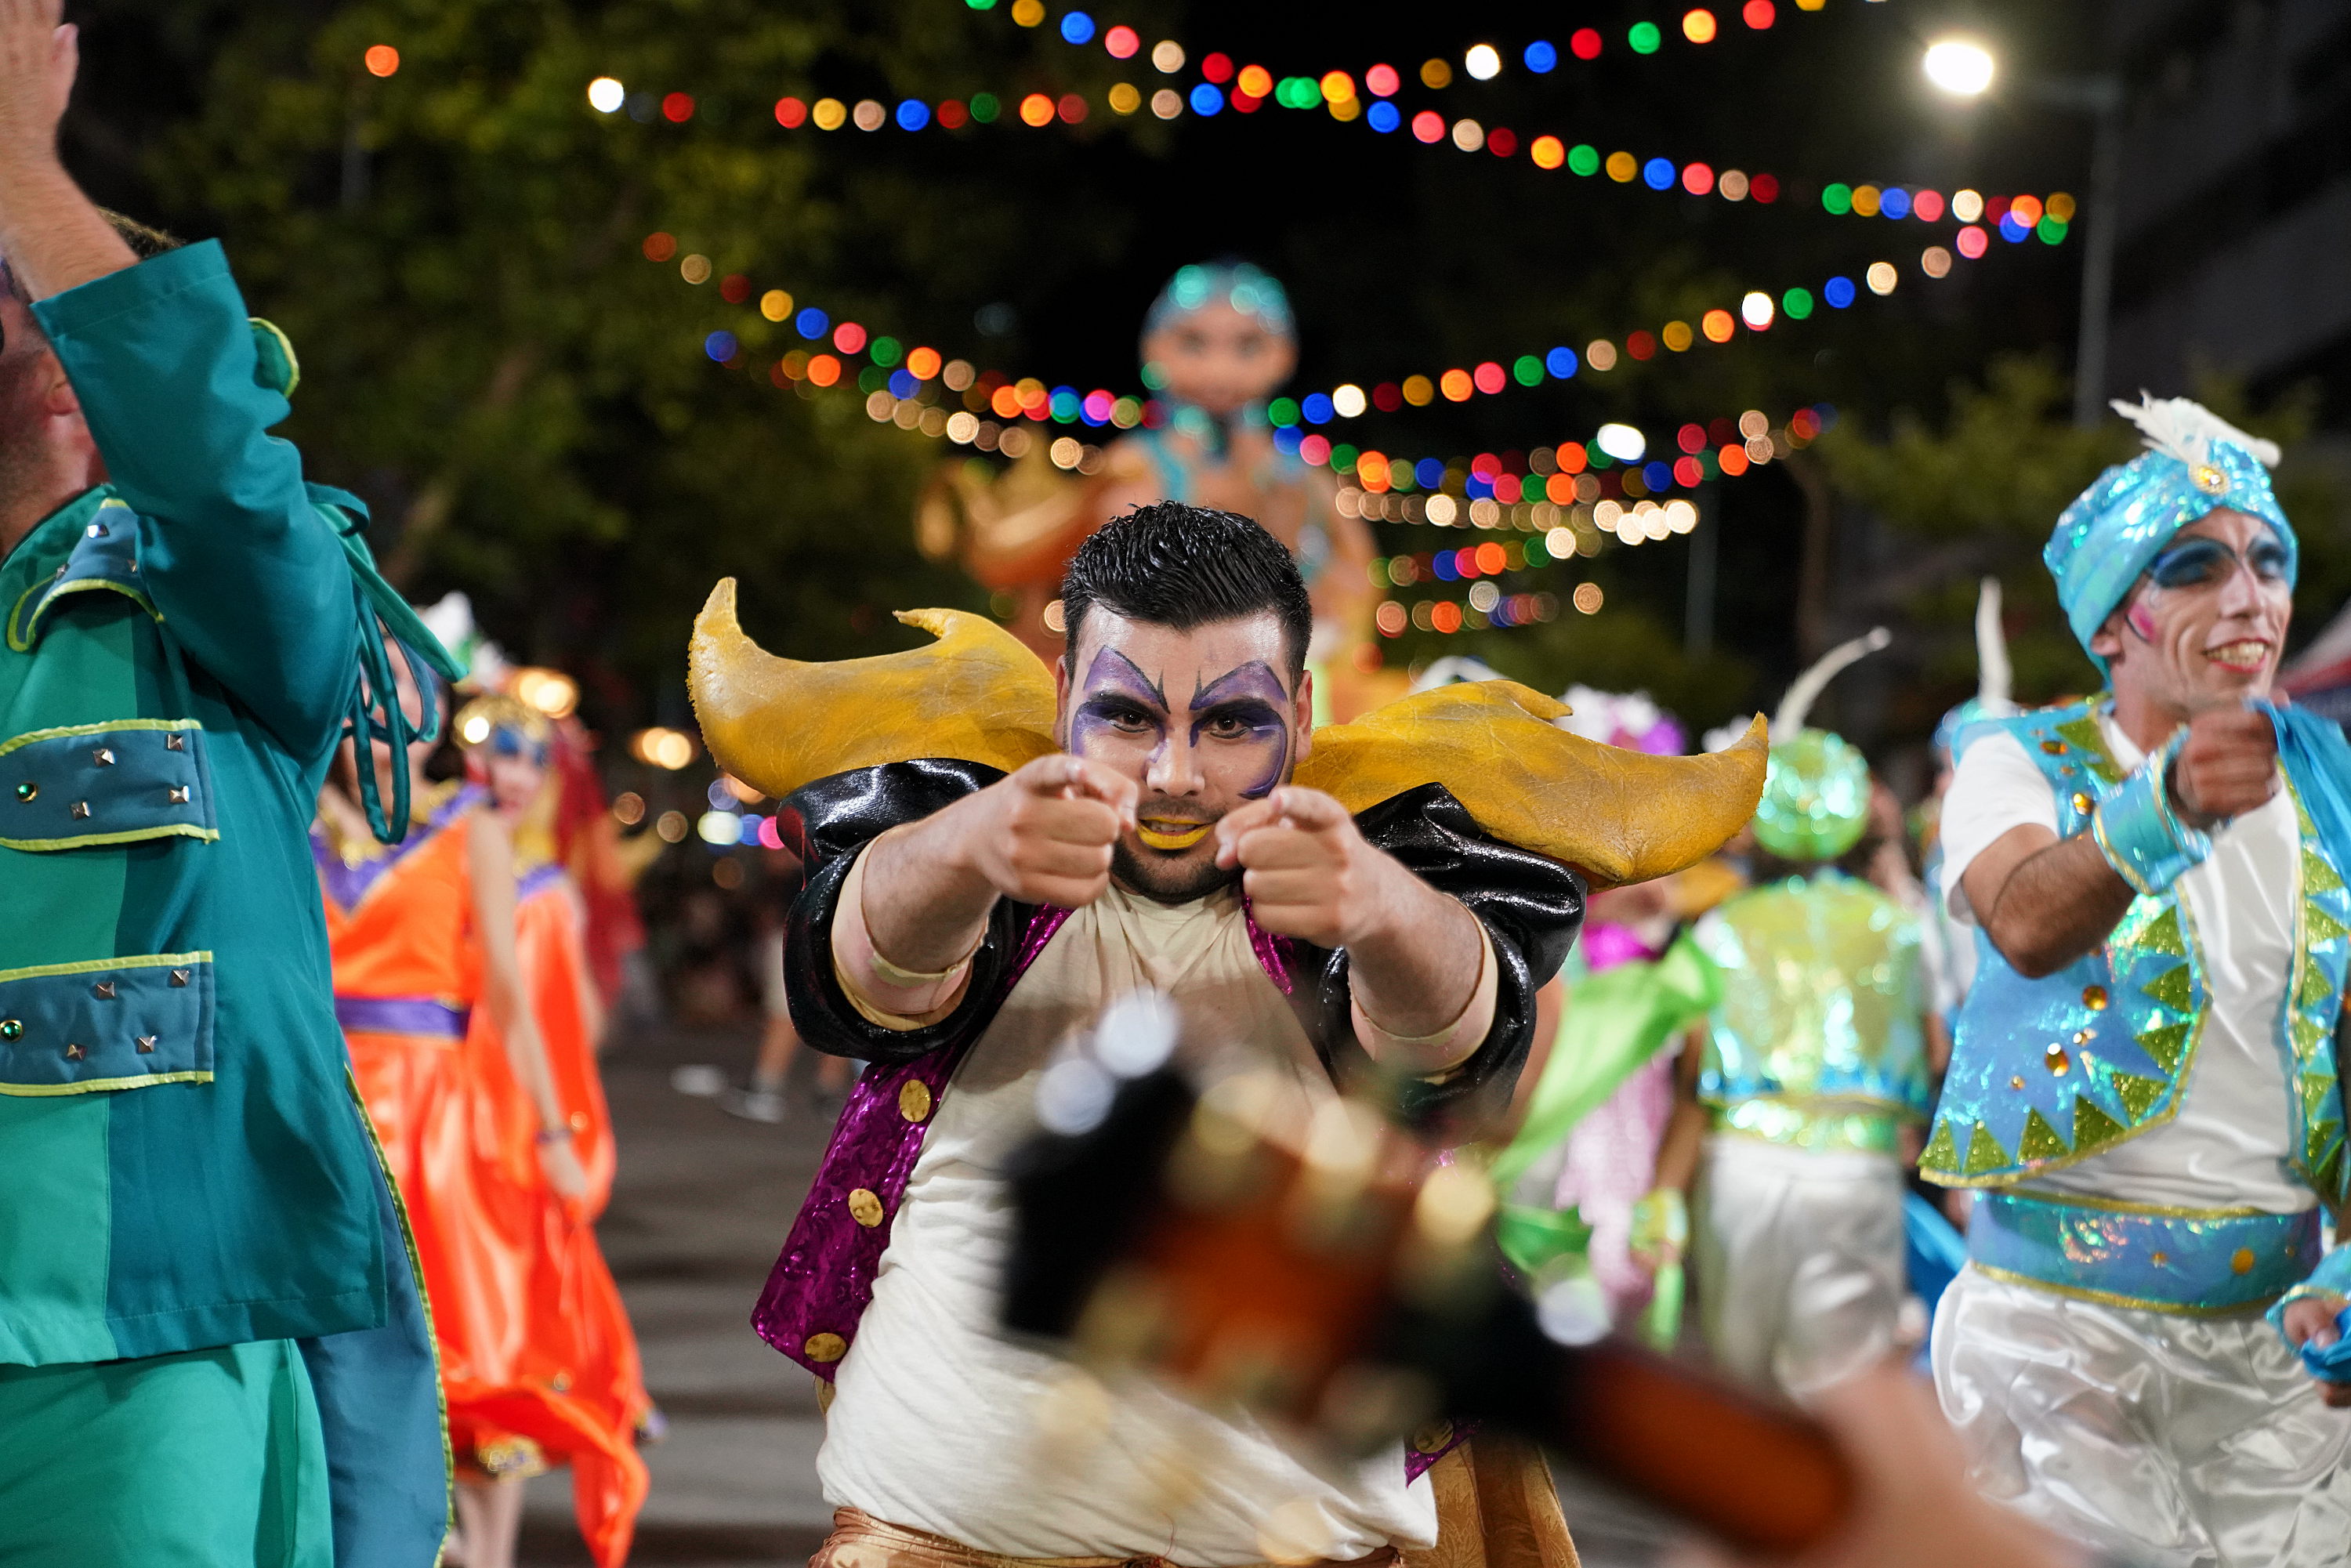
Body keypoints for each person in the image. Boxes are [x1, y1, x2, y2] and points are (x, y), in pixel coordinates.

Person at [686, 502, 1768, 1568]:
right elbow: (863, 974)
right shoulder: (981, 854)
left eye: (1231, 723)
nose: (1173, 774)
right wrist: (971, 845)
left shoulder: (1374, 874)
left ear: (1300, 716)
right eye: (1127, 717)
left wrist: (1378, 904)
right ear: (1063, 693)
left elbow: (1453, 1049)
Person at [0, 6, 456, 1563]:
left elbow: (205, 456)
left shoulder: (241, 593)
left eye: (46, 276)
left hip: (156, 1321)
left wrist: (21, 160)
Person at [1922, 395, 2351, 1564]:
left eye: (2269, 562)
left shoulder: (2331, 781)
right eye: (2196, 568)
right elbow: (2021, 920)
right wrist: (2157, 813)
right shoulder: (2016, 763)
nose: (2249, 597)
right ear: (2114, 623)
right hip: (2056, 1343)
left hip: (2280, 1343)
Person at [318, 686, 643, 1568]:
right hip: (323, 1112)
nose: (376, 740)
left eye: (395, 722)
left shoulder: (474, 834)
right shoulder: (292, 823)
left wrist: (549, 1133)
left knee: (474, 1341)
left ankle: (483, 1554)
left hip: (439, 1124)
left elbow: (512, 996)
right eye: (359, 721)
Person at [1645, 631, 1935, 1399]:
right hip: (1860, 1170)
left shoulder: (1722, 929)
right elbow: (1937, 1049)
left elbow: (1691, 1082)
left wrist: (1663, 1195)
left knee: (1746, 1394)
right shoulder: (1903, 929)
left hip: (1743, 1171)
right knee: (1847, 1400)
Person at [934, 263, 1386, 720]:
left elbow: (1360, 573)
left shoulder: (1299, 475)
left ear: (1282, 355)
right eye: (1194, 343)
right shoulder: (1139, 465)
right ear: (1156, 350)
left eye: (1247, 346)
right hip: (1158, 690)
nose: (1220, 368)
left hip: (1292, 689)